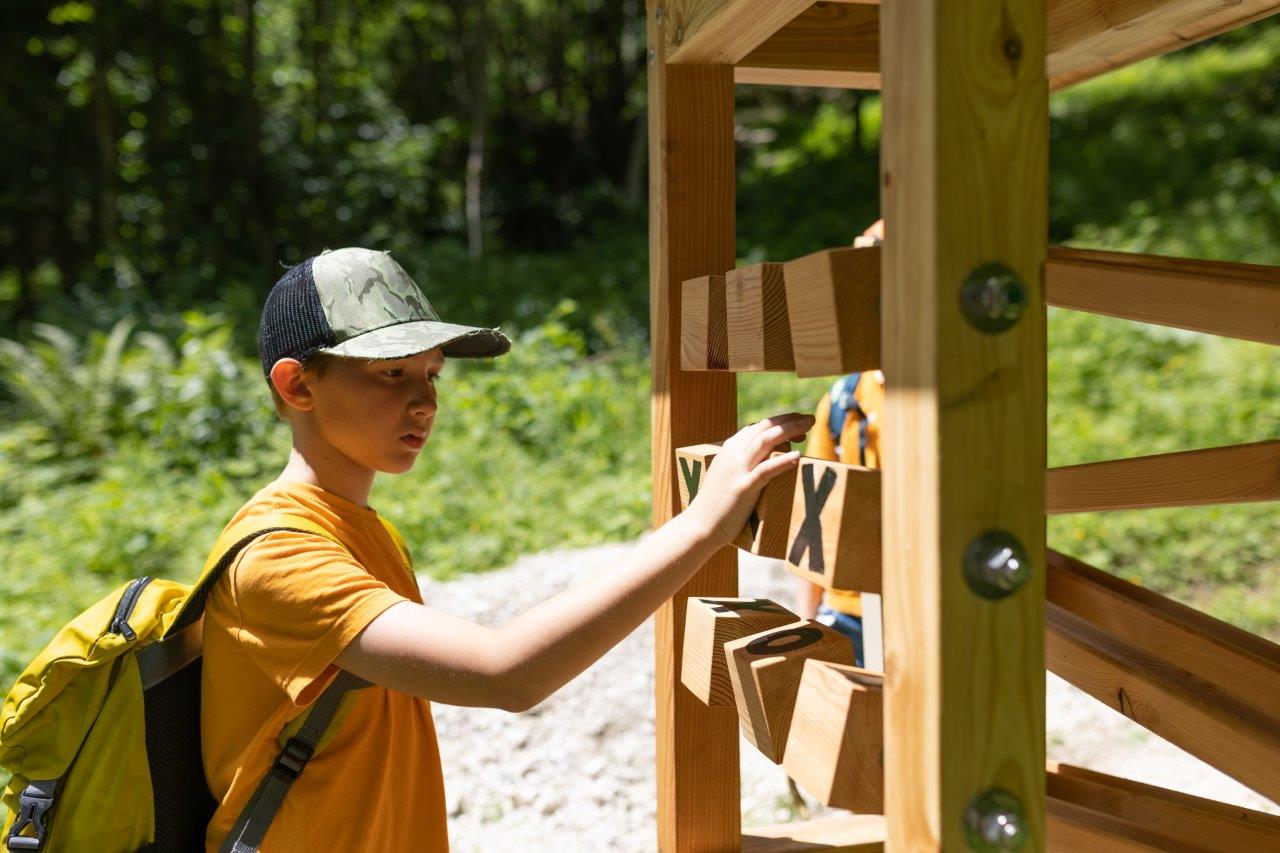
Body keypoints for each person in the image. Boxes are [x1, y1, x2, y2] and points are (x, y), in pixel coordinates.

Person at [201, 247, 812, 851]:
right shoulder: (279, 560)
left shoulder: (360, 529)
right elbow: (505, 673)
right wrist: (703, 524)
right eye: (392, 372)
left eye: (432, 373)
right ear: (297, 384)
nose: (425, 401)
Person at [793, 219, 885, 668]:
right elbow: (815, 522)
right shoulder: (843, 399)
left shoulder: (954, 399)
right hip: (847, 614)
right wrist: (809, 622)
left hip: (928, 611)